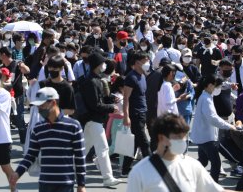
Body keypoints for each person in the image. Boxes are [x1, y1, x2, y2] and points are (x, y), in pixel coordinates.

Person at [127, 113, 243, 192]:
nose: (182, 142)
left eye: (184, 137)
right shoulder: (140, 171)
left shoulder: (192, 166)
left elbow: (216, 191)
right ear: (161, 138)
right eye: (177, 138)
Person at [10, 87, 86, 192]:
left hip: (66, 184)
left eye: (42, 105)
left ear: (53, 103)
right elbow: (31, 155)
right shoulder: (38, 128)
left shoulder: (73, 126)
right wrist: (17, 173)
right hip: (44, 184)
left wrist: (81, 184)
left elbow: (80, 157)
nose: (39, 109)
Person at [80, 51, 121, 186]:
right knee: (103, 148)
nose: (105, 65)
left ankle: (67, 170)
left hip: (92, 120)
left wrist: (110, 99)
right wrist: (111, 107)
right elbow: (95, 104)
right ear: (98, 64)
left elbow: (98, 100)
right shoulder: (92, 81)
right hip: (93, 119)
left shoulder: (95, 79)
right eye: (103, 62)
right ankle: (108, 178)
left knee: (83, 149)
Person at [190, 74, 236, 182]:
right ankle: (212, 187)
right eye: (218, 86)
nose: (219, 89)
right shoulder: (206, 98)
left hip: (203, 135)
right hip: (206, 137)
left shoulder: (206, 95)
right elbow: (212, 118)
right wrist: (229, 126)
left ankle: (188, 178)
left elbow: (212, 117)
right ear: (210, 85)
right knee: (216, 164)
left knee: (203, 161)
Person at [122, 52, 151, 175]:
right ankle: (152, 168)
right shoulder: (131, 77)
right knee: (144, 142)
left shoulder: (142, 75)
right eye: (145, 60)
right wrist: (126, 116)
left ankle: (125, 169)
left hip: (143, 112)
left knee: (135, 142)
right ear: (137, 62)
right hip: (135, 114)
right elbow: (126, 98)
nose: (147, 63)